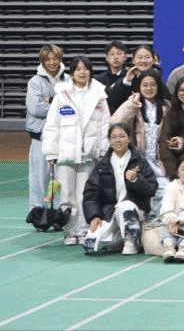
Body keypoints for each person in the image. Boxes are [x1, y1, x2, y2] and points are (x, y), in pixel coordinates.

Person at [42, 56, 110, 245]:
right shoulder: (61, 95)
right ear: (72, 73)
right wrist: (51, 152)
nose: (82, 72)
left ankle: (83, 230)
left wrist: (103, 150)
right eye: (78, 69)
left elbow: (105, 125)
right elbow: (52, 125)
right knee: (66, 196)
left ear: (90, 72)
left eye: (85, 69)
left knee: (84, 195)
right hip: (65, 155)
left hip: (88, 155)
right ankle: (70, 231)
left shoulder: (99, 95)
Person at [81, 123, 158, 254]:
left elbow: (151, 189)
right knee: (92, 245)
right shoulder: (102, 164)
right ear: (109, 140)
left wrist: (136, 180)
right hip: (109, 212)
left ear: (129, 138)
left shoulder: (140, 161)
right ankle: (120, 239)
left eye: (122, 136)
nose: (118, 140)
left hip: (135, 210)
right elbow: (91, 193)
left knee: (125, 206)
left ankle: (132, 241)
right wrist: (94, 216)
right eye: (114, 137)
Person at [110, 69, 169, 209]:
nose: (149, 88)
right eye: (145, 85)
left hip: (160, 162)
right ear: (139, 87)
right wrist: (131, 105)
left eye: (153, 85)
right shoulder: (133, 105)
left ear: (159, 86)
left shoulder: (167, 107)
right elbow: (115, 122)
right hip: (138, 160)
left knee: (165, 193)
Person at [25, 44, 69, 214]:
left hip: (61, 139)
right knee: (38, 179)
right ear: (43, 61)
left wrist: (49, 101)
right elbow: (35, 108)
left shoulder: (68, 80)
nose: (52, 62)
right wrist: (59, 103)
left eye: (55, 59)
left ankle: (57, 211)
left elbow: (71, 107)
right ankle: (36, 211)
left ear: (60, 59)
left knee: (58, 180)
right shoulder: (35, 82)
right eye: (48, 59)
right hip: (39, 138)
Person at [95, 42, 127, 112]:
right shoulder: (98, 80)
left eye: (119, 53)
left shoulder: (130, 77)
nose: (115, 57)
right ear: (107, 58)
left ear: (125, 57)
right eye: (112, 54)